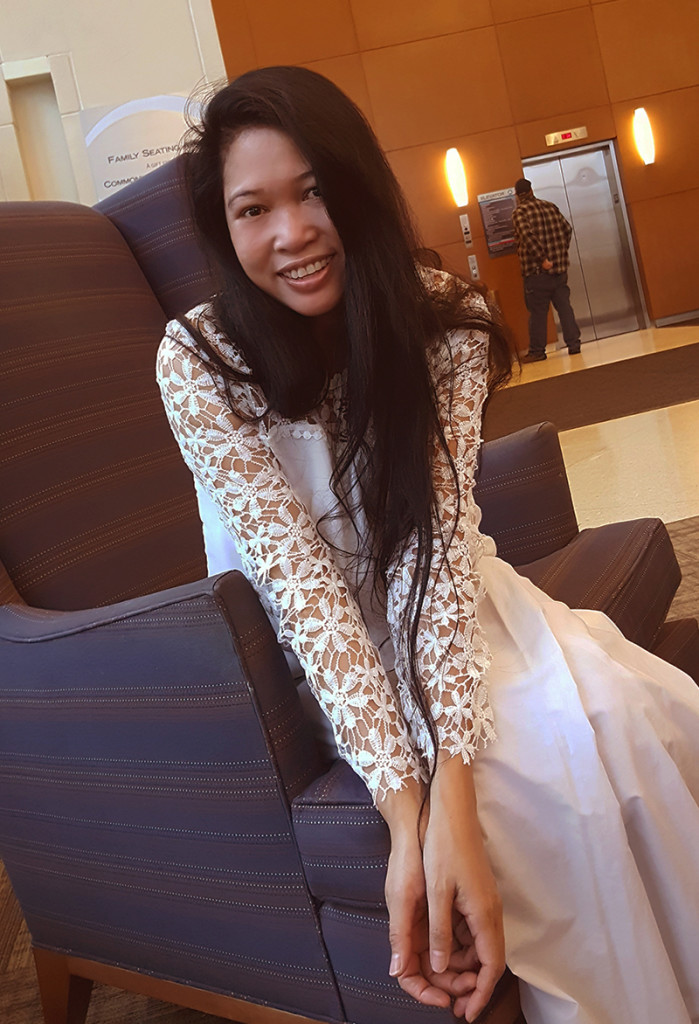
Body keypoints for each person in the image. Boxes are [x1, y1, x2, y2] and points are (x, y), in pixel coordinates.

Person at [156, 66, 699, 1024]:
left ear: (357, 187)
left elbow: (434, 555)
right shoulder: (198, 358)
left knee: (629, 718)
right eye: (253, 209)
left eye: (313, 190)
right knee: (538, 793)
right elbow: (303, 593)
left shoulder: (442, 318)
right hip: (320, 655)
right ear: (222, 228)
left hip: (455, 611)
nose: (291, 232)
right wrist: (407, 816)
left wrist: (450, 773)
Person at [511, 177, 581, 362]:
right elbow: (567, 229)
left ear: (517, 195)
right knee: (564, 307)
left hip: (536, 273)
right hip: (559, 270)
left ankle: (537, 351)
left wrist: (543, 259)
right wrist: (559, 254)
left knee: (538, 313)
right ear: (531, 190)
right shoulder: (550, 207)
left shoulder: (520, 213)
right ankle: (574, 344)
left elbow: (527, 237)